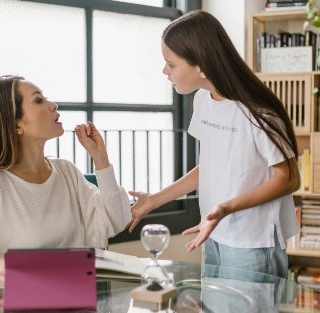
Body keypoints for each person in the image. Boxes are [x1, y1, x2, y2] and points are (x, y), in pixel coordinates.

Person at [128, 10, 300, 278]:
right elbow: (210, 166)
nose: (165, 71)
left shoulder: (258, 112)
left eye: (171, 64)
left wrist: (225, 207)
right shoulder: (204, 100)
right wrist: (155, 199)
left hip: (253, 242)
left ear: (201, 65)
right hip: (213, 231)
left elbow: (289, 179)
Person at [0, 75, 131, 278]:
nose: (53, 105)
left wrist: (101, 158)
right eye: (39, 100)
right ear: (17, 125)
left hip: (77, 299)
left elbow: (116, 220)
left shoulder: (66, 172)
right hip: (19, 305)